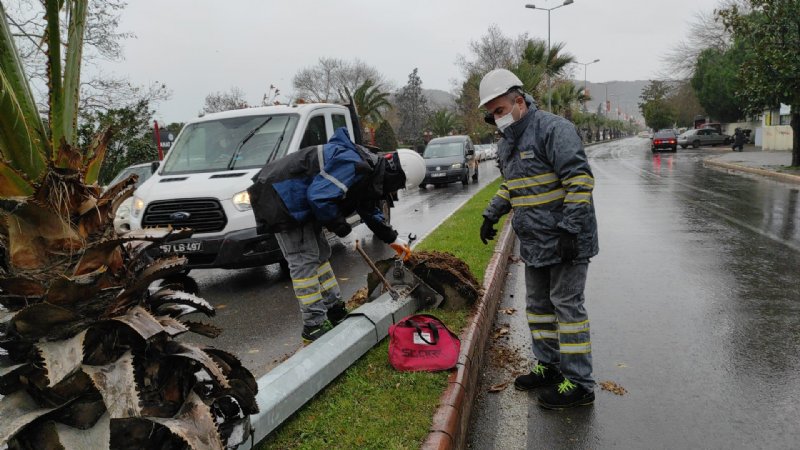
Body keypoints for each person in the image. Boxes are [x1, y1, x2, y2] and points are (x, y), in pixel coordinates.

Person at [477, 69, 599, 410]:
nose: (496, 118)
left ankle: (579, 383)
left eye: (500, 110)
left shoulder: (554, 129)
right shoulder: (507, 143)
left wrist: (570, 229)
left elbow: (579, 181)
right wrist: (492, 212)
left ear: (519, 101)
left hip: (565, 239)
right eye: (491, 114)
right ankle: (550, 366)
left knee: (567, 307)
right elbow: (511, 184)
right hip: (534, 240)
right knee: (539, 309)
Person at [248, 127, 413, 342]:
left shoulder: (368, 167)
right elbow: (319, 197)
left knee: (320, 254)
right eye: (397, 187)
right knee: (304, 259)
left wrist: (393, 239)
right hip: (282, 198)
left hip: (298, 200)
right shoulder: (354, 163)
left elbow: (366, 206)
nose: (394, 192)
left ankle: (334, 309)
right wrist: (343, 228)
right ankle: (313, 325)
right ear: (394, 176)